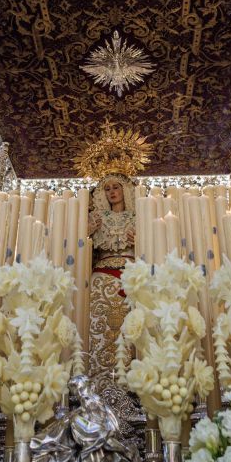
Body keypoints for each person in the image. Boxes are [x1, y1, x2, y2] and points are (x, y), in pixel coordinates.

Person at [84, 173, 138, 409]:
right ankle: (98, 384)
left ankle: (133, 387)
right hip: (100, 279)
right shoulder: (97, 218)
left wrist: (140, 240)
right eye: (107, 189)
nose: (112, 192)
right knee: (99, 329)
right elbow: (79, 250)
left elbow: (153, 247)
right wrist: (85, 231)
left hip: (131, 277)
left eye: (116, 187)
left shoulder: (138, 217)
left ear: (125, 191)